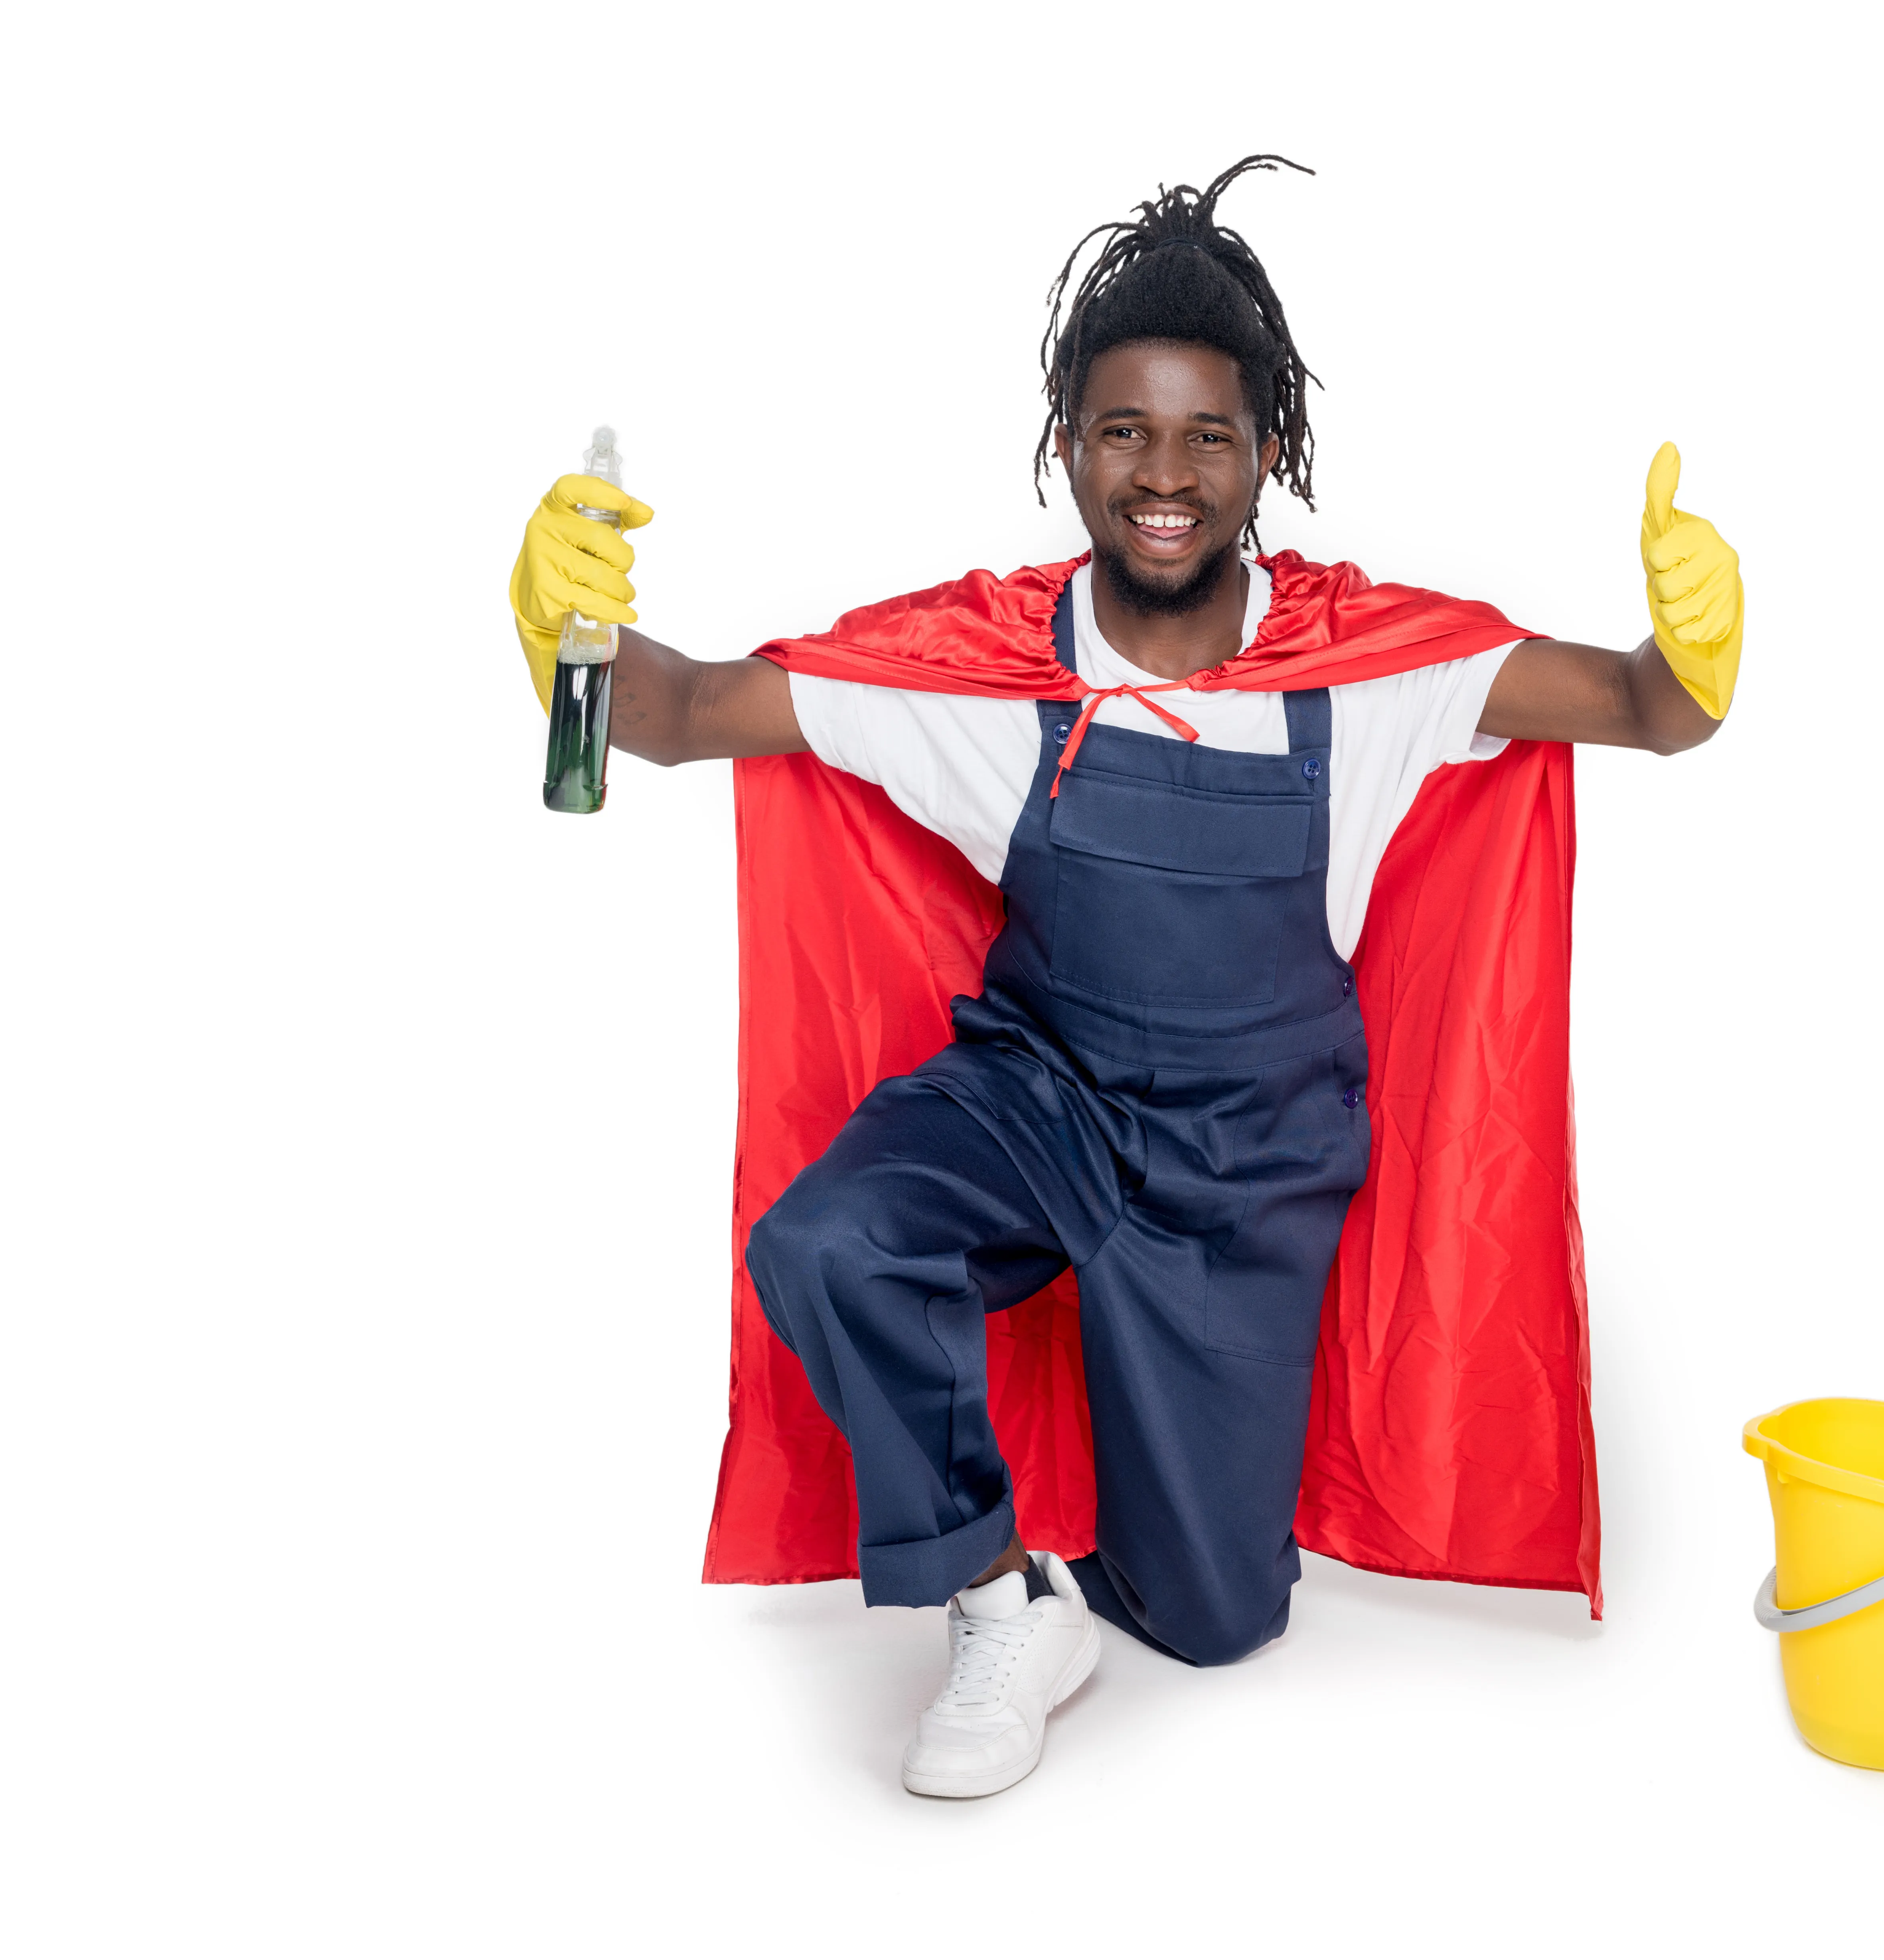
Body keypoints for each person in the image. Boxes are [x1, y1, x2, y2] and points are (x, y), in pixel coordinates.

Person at [503, 157, 1744, 1799]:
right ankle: (994, 1592)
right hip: (1041, 1103)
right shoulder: (992, 676)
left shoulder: (1373, 674)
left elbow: (1648, 710)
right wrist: (560, 626)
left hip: (1248, 1164)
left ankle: (1122, 1549)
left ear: (1269, 454)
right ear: (1066, 448)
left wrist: (1697, 644)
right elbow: (680, 715)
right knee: (830, 1242)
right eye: (1122, 434)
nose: (1164, 476)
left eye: (1207, 437)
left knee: (1217, 1620)